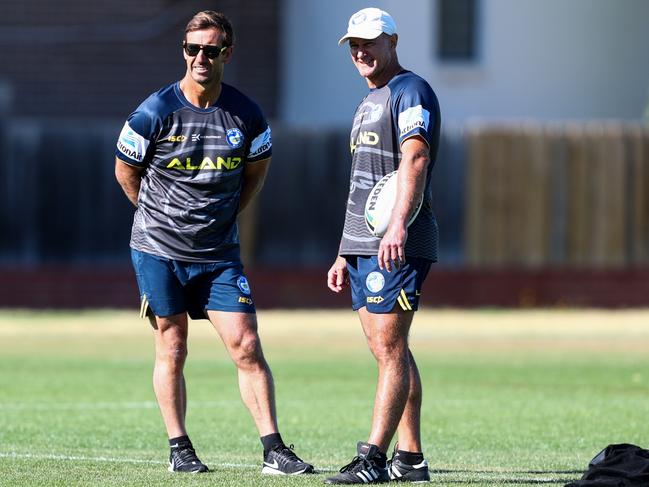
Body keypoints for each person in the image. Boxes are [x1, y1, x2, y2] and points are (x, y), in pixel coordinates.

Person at [114, 10, 313, 476]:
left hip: (219, 254)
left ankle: (274, 450)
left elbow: (256, 174)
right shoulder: (154, 112)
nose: (200, 57)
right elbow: (125, 171)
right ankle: (179, 448)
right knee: (174, 344)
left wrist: (222, 218)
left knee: (245, 343)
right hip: (159, 250)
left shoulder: (247, 114)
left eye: (211, 49)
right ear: (183, 52)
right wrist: (156, 218)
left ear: (228, 52)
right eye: (192, 49)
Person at [326, 7, 441, 485]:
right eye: (354, 43)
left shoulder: (410, 90)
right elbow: (364, 184)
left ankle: (373, 458)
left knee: (390, 347)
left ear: (393, 41)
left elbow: (415, 158)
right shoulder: (367, 101)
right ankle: (410, 457)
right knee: (388, 348)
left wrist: (397, 227)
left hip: (398, 242)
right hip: (361, 247)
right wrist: (343, 250)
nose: (361, 50)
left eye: (370, 41)